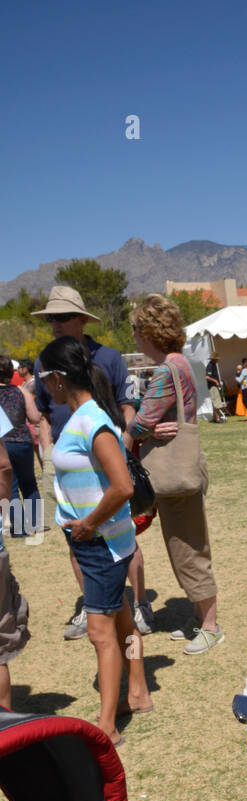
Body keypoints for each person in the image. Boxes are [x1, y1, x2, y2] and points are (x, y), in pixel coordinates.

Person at [38, 337, 151, 744]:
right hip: (102, 541)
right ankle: (136, 691)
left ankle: (107, 726)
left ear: (56, 379)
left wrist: (87, 524)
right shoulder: (83, 417)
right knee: (123, 623)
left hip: (100, 542)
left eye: (43, 378)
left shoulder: (92, 422)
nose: (42, 386)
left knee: (101, 634)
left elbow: (121, 486)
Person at [32, 286, 136, 641]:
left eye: (61, 317)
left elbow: (125, 404)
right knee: (75, 535)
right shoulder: (43, 360)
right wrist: (48, 452)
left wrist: (123, 440)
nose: (55, 324)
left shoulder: (108, 357)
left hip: (102, 456)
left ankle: (130, 607)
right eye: (50, 319)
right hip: (64, 458)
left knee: (119, 535)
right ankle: (95, 606)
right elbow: (44, 414)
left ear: (81, 319)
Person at [125, 295, 223, 656]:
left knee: (188, 548)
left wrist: (136, 433)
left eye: (137, 329)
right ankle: (200, 618)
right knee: (185, 545)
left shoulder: (166, 369)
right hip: (184, 470)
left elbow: (143, 420)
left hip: (174, 474)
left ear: (150, 331)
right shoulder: (181, 363)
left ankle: (210, 625)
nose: (134, 337)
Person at [0, 406, 31, 707]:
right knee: (30, 489)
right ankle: (28, 527)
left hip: (16, 445)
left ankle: (26, 525)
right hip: (21, 443)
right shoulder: (20, 390)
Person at [0, 356, 43, 537]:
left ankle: (19, 528)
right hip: (23, 441)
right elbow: (34, 417)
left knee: (12, 486)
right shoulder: (21, 391)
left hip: (3, 442)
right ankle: (35, 524)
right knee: (29, 483)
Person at [205, 355, 226, 423]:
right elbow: (207, 377)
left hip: (214, 386)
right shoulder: (210, 365)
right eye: (217, 359)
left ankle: (215, 418)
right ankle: (217, 419)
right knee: (216, 403)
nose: (218, 360)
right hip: (212, 387)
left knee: (215, 403)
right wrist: (215, 381)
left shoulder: (213, 365)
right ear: (214, 359)